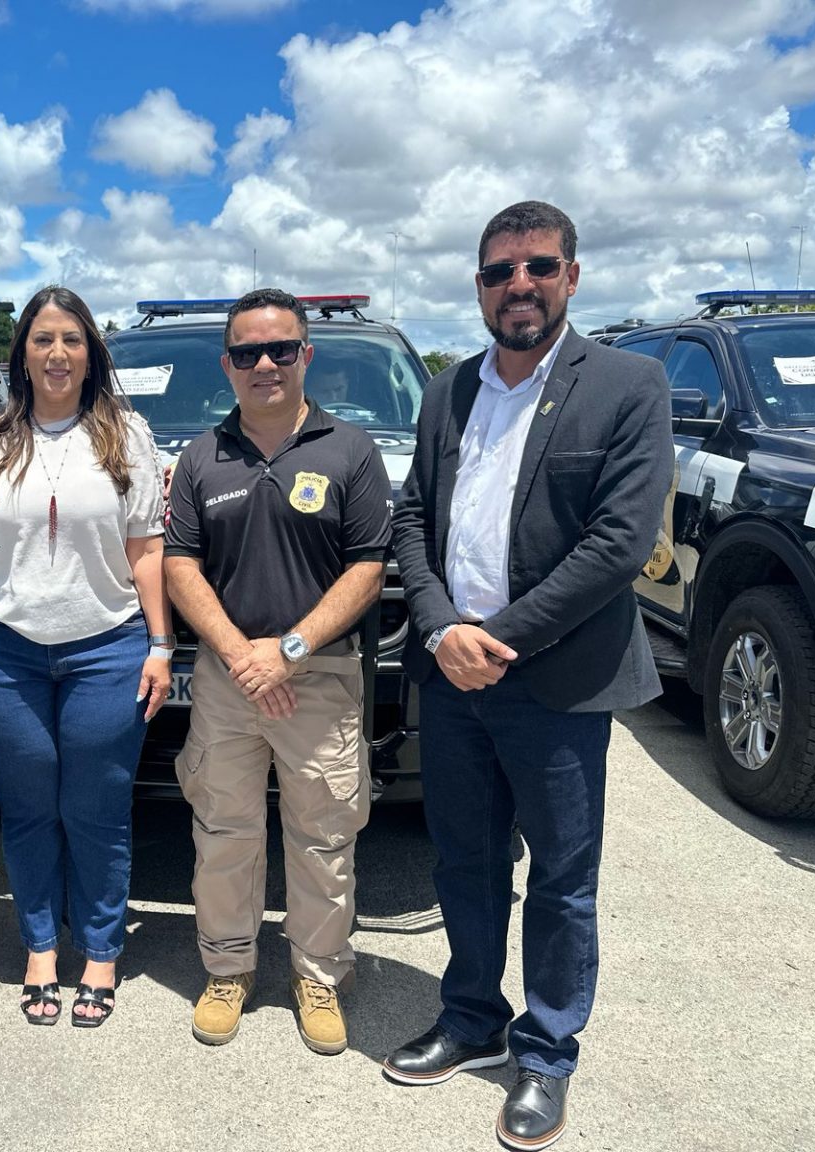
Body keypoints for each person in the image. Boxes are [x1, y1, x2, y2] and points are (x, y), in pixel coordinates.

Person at [387, 201, 672, 1151]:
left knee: (560, 877)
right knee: (463, 862)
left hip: (554, 680)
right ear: (477, 286)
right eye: (500, 271)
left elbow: (618, 545)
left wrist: (492, 637)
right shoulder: (446, 391)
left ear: (572, 277)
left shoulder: (629, 385)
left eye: (539, 267)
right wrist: (438, 628)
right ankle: (471, 1018)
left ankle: (545, 1054)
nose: (520, 286)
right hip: (452, 676)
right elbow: (416, 524)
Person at [0, 286, 170, 1027]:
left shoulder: (128, 436)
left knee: (95, 809)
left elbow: (146, 548)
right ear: (22, 354)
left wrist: (162, 642)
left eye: (71, 339)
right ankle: (40, 948)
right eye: (43, 340)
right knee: (28, 810)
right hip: (4, 653)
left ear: (91, 352)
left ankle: (100, 951)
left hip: (108, 648)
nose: (57, 353)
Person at [163, 287, 390, 1056]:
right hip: (229, 681)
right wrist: (240, 654)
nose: (265, 364)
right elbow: (180, 565)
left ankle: (319, 975)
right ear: (226, 365)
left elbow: (367, 568)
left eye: (281, 350)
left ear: (305, 356)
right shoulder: (200, 456)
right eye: (248, 353)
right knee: (223, 830)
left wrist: (284, 651)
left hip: (318, 677)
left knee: (323, 835)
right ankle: (228, 970)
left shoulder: (350, 450)